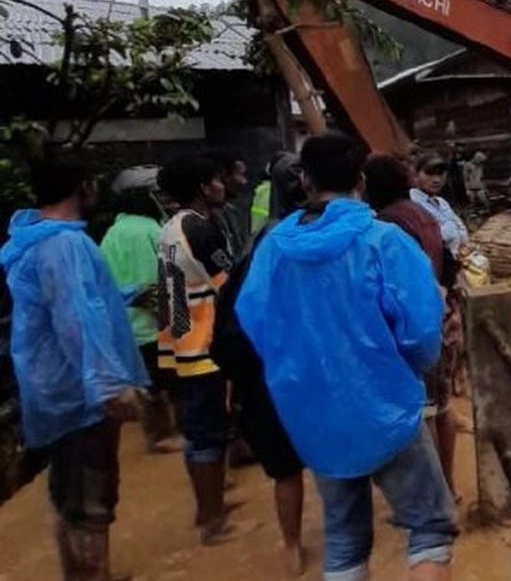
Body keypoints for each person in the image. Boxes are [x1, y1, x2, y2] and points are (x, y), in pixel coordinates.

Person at [237, 134, 456, 581]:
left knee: (343, 542)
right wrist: (403, 372)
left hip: (315, 418)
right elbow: (420, 332)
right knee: (429, 531)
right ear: (360, 180)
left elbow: (256, 325)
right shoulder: (383, 241)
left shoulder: (273, 249)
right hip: (387, 409)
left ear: (304, 178)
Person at [1, 156, 149, 580]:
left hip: (53, 388)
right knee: (90, 501)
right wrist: (108, 387)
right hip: (80, 393)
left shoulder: (37, 241)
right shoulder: (66, 246)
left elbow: (80, 304)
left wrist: (126, 294)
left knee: (69, 496)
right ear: (82, 187)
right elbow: (77, 317)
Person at [212, 152, 308, 576]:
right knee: (303, 463)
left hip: (251, 365)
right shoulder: (288, 241)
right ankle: (295, 543)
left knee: (287, 466)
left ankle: (293, 544)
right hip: (282, 368)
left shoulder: (257, 241)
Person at [155, 156, 250, 545]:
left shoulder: (171, 229)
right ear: (201, 186)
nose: (222, 185)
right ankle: (212, 522)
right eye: (215, 180)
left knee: (201, 429)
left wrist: (173, 349)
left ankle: (209, 509)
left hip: (186, 345)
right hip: (207, 346)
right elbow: (231, 287)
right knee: (208, 432)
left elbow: (172, 298)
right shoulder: (200, 231)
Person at [364, 153, 461, 499]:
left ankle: (436, 496)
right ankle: (448, 486)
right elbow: (450, 263)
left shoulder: (387, 225)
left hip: (416, 327)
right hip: (443, 319)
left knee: (425, 415)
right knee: (444, 407)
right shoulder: (425, 215)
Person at [99, 166, 182, 454]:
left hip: (129, 325)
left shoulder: (117, 231)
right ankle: (159, 436)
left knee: (152, 382)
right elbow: (151, 285)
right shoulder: (141, 231)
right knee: (158, 385)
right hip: (148, 326)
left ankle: (159, 434)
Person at [411, 153, 471, 257]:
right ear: (416, 174)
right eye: (429, 173)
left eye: (441, 174)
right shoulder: (411, 203)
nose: (436, 180)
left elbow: (461, 228)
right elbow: (428, 239)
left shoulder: (442, 202)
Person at [208, 151, 250, 260]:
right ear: (224, 176)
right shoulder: (208, 219)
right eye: (240, 174)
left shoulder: (232, 211)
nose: (244, 181)